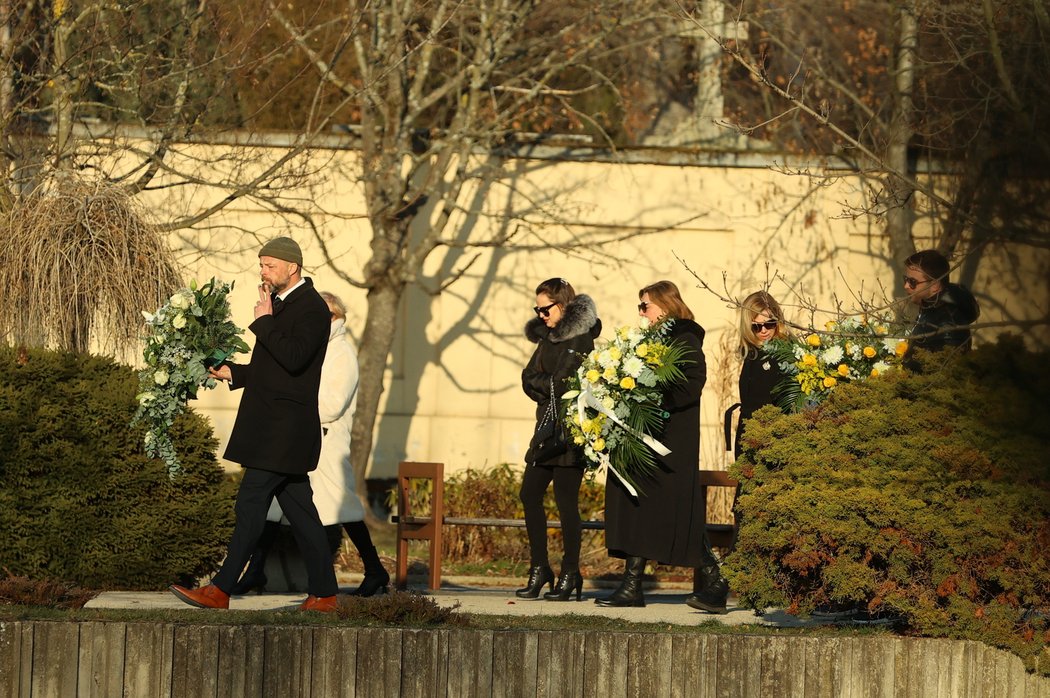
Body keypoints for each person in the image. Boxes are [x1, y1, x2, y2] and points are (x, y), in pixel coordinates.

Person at [169, 236, 340, 613]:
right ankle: (325, 594)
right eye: (261, 264)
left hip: (283, 431)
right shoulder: (282, 304)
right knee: (301, 513)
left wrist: (263, 322)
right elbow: (276, 370)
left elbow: (295, 359)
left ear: (292, 267)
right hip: (276, 429)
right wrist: (236, 372)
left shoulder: (311, 308)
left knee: (250, 505)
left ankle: (220, 590)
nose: (263, 271)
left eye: (270, 265)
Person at [229, 291, 390, 598]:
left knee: (342, 508)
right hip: (301, 436)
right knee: (278, 505)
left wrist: (291, 404)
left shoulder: (341, 354)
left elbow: (332, 405)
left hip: (326, 441)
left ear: (334, 319)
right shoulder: (316, 349)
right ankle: (256, 570)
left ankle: (373, 569)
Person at [597, 280, 727, 612]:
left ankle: (715, 580)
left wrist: (649, 394)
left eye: (645, 306)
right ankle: (632, 584)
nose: (641, 312)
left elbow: (688, 386)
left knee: (672, 514)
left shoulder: (684, 339)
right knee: (636, 506)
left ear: (665, 306)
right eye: (639, 306)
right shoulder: (646, 341)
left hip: (670, 443)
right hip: (643, 440)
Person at [518, 278, 601, 602]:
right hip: (545, 428)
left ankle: (570, 572)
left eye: (545, 308)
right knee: (529, 494)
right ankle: (540, 568)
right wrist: (546, 383)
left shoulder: (580, 337)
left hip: (571, 431)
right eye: (536, 309)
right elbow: (529, 378)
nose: (540, 315)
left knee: (567, 503)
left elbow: (563, 381)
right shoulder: (547, 338)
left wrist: (545, 383)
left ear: (563, 305)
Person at [727, 291, 790, 458]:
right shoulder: (751, 354)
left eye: (769, 324)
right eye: (756, 326)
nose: (763, 330)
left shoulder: (786, 354)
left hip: (776, 441)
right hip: (748, 437)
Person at [902, 250, 980, 367]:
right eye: (906, 279)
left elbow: (945, 373)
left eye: (913, 282)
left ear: (935, 286)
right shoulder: (930, 308)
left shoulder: (948, 323)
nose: (906, 286)